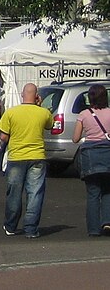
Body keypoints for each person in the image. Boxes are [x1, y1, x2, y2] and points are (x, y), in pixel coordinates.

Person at [0, 82, 53, 238]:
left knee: (14, 193)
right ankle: (31, 229)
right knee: (35, 193)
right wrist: (40, 105)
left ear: (22, 95)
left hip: (17, 157)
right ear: (36, 96)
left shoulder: (11, 112)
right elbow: (50, 125)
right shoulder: (43, 113)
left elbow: (3, 136)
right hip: (37, 156)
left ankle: (11, 226)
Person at [73, 83, 110, 236]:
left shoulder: (84, 114)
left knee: (93, 193)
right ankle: (107, 222)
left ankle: (94, 229)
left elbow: (75, 138)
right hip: (107, 154)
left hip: (91, 157)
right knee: (108, 190)